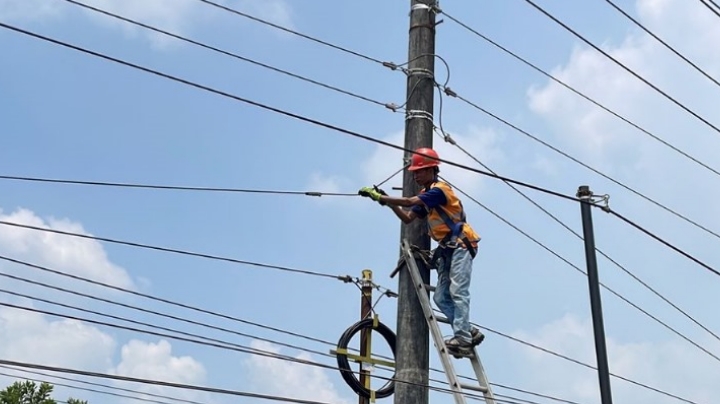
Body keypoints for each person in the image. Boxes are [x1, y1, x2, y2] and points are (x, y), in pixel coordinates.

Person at [358, 147, 484, 357]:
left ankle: (463, 339)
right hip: (447, 250)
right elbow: (408, 216)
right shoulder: (427, 196)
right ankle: (467, 331)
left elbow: (409, 202)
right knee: (441, 298)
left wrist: (382, 199)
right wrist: (385, 200)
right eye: (415, 172)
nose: (416, 175)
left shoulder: (439, 190)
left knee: (457, 292)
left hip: (461, 245)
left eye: (420, 171)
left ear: (433, 169)